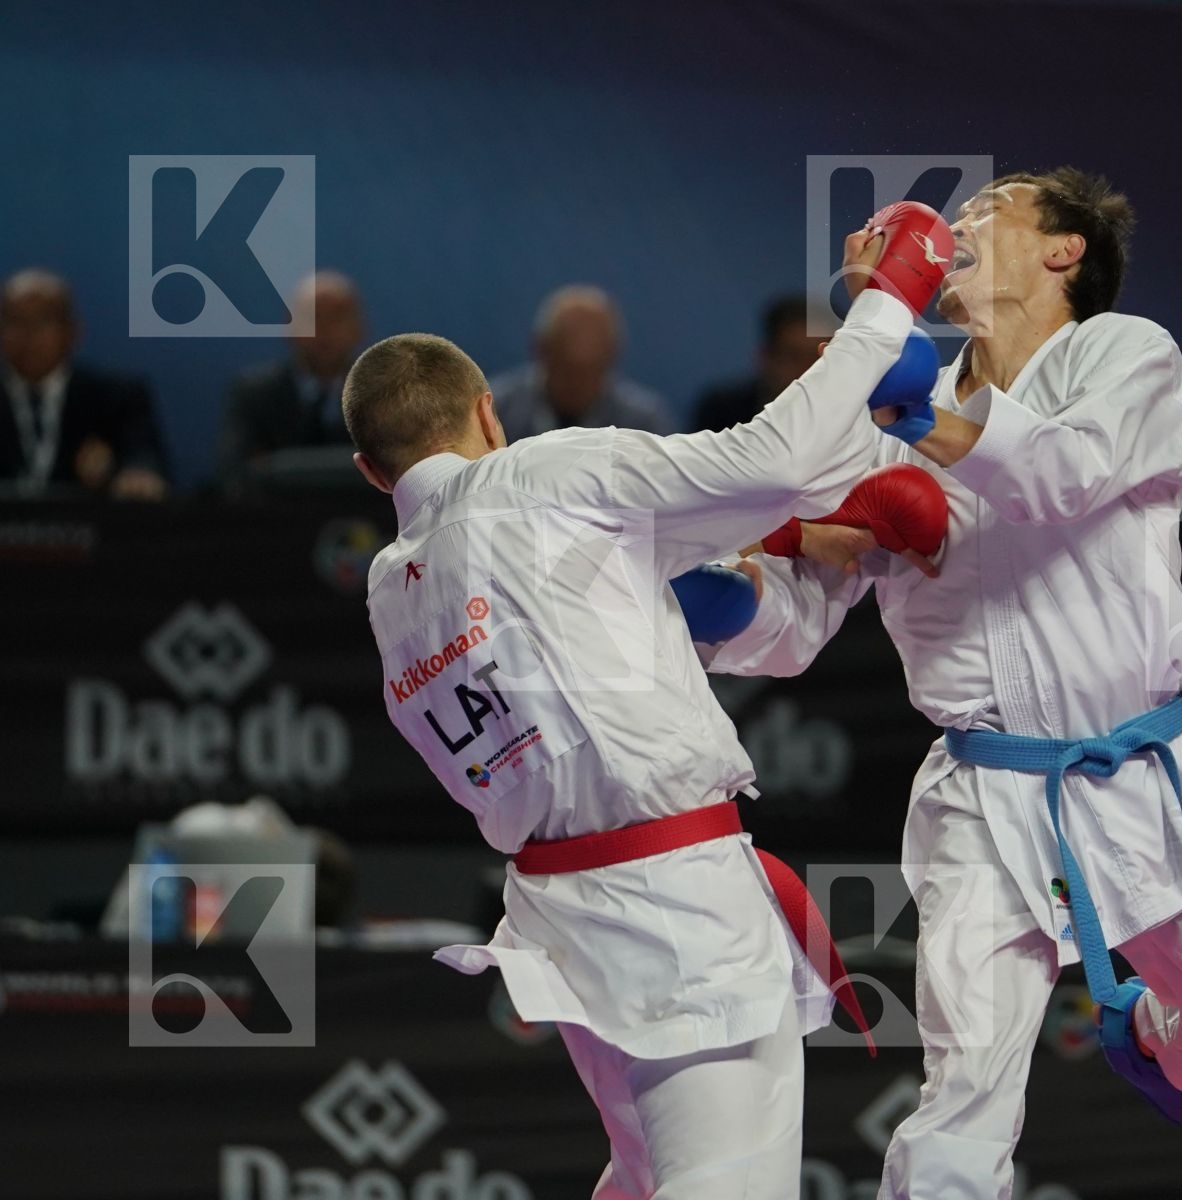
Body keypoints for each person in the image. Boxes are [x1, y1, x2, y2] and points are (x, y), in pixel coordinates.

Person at [709, 168, 1182, 1199]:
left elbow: (1063, 472)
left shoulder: (1125, 354)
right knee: (965, 1098)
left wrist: (913, 417)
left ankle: (1160, 1041)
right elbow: (799, 618)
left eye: (989, 212)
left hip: (1141, 769)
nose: (956, 228)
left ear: (1064, 249)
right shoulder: (886, 412)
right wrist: (714, 599)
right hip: (984, 796)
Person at [343, 211, 945, 1200]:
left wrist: (787, 554)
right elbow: (775, 458)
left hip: (565, 912)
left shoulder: (390, 584)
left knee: (644, 1176)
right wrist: (890, 305)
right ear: (491, 413)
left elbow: (634, 603)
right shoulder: (538, 474)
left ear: (373, 472)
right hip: (675, 908)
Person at [0, 268, 168, 499]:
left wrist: (137, 474)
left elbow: (142, 455)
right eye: (15, 321)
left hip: (93, 529)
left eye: (43, 321)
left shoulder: (115, 397)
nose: (28, 334)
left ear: (72, 332)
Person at [217, 270, 366, 494]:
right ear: (289, 326)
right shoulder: (256, 393)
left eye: (336, 317)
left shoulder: (379, 393)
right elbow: (234, 475)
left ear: (359, 328)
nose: (324, 329)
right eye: (312, 317)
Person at [490, 284, 673, 438]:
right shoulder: (494, 413)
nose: (578, 385)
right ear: (540, 351)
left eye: (592, 371)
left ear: (612, 358)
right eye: (568, 371)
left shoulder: (642, 427)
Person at [691, 295, 830, 432]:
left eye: (818, 358)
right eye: (794, 357)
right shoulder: (722, 413)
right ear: (766, 357)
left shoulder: (848, 421)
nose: (807, 369)